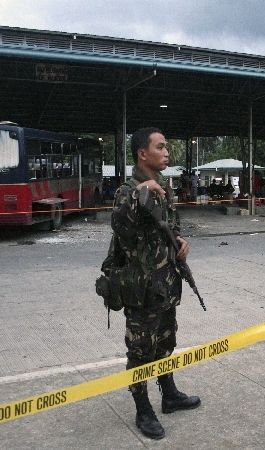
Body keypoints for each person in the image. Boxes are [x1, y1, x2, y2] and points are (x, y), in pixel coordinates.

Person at [111, 127, 200, 439]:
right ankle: (143, 410)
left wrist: (179, 239)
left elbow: (169, 226)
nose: (167, 153)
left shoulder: (163, 188)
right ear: (142, 153)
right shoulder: (128, 189)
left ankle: (170, 395)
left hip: (165, 284)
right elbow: (120, 228)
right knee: (139, 351)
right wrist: (140, 193)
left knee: (165, 343)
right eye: (161, 147)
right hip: (141, 289)